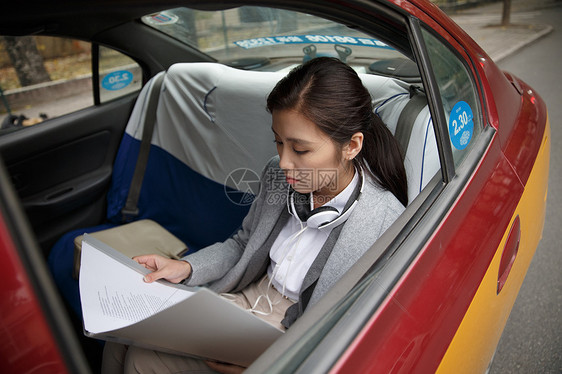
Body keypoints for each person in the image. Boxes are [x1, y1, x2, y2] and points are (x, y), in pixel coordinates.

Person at [102, 57, 408, 373]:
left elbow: (362, 330)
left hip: (299, 333)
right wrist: (186, 267)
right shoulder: (279, 176)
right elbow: (243, 243)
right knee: (127, 330)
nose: (284, 162)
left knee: (144, 357)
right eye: (279, 142)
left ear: (351, 146)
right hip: (249, 297)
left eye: (300, 150)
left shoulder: (384, 222)